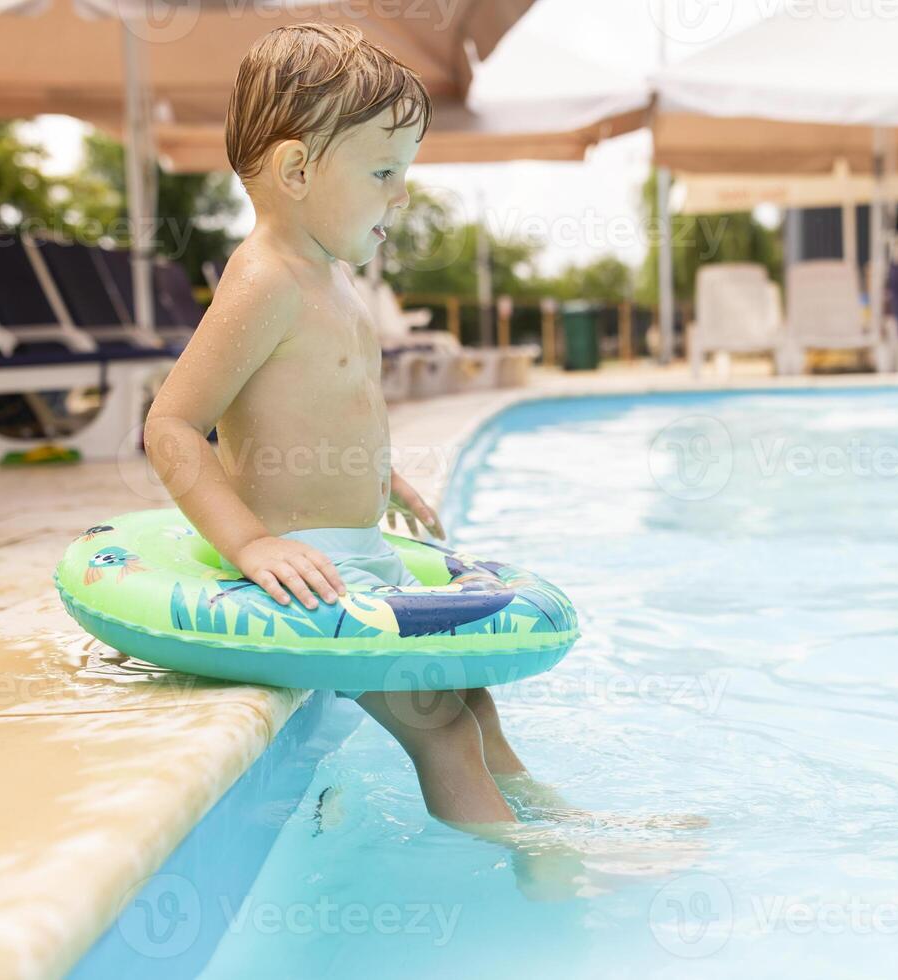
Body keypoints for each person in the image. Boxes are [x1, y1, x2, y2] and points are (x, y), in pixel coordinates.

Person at [144, 23, 699, 898]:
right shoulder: (266, 279)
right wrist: (251, 546)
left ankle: (555, 816)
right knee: (441, 725)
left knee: (473, 699)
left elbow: (332, 408)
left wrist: (385, 481)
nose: (402, 193)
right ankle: (538, 863)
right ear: (295, 173)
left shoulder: (332, 275)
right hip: (304, 577)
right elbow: (173, 426)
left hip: (353, 556)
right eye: (383, 171)